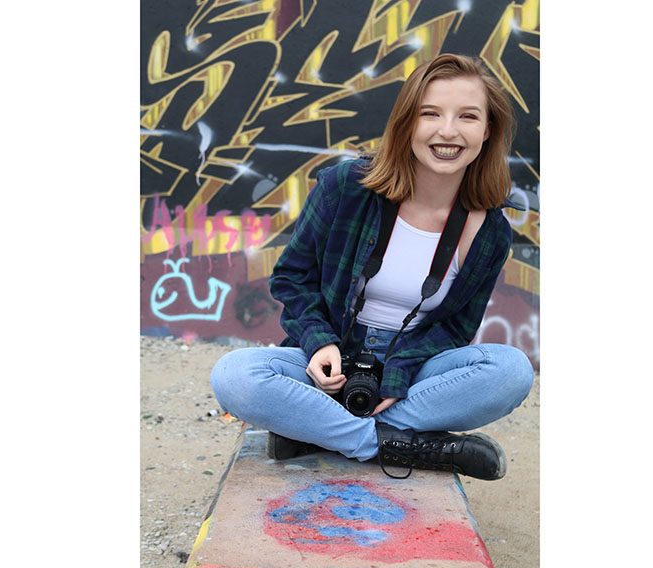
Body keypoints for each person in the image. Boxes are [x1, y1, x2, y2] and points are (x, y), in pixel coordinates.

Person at [210, 54, 534, 480]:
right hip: (331, 361)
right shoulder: (345, 186)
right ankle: (399, 444)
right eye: (430, 113)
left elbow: (455, 329)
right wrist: (320, 343)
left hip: (414, 367)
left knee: (511, 371)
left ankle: (320, 432)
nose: (448, 131)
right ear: (407, 123)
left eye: (468, 116)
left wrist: (397, 376)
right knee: (235, 376)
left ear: (487, 130)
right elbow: (292, 277)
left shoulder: (491, 231)